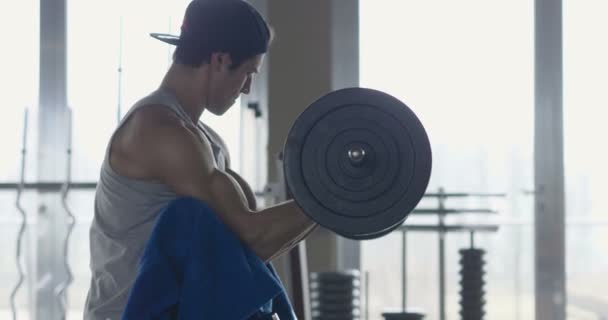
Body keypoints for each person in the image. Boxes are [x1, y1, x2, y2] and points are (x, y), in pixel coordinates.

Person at [84, 1, 317, 319]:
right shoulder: (159, 131)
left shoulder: (206, 141)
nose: (247, 88)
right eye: (247, 73)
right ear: (220, 60)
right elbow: (254, 238)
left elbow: (249, 247)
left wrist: (331, 200)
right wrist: (332, 199)